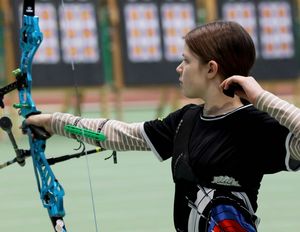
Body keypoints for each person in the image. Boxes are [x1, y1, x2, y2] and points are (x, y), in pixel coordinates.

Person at [26, 20, 300, 232]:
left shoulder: (255, 126)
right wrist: (53, 122)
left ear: (211, 68)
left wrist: (260, 97)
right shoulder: (186, 120)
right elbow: (117, 134)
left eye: (187, 60)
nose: (179, 68)